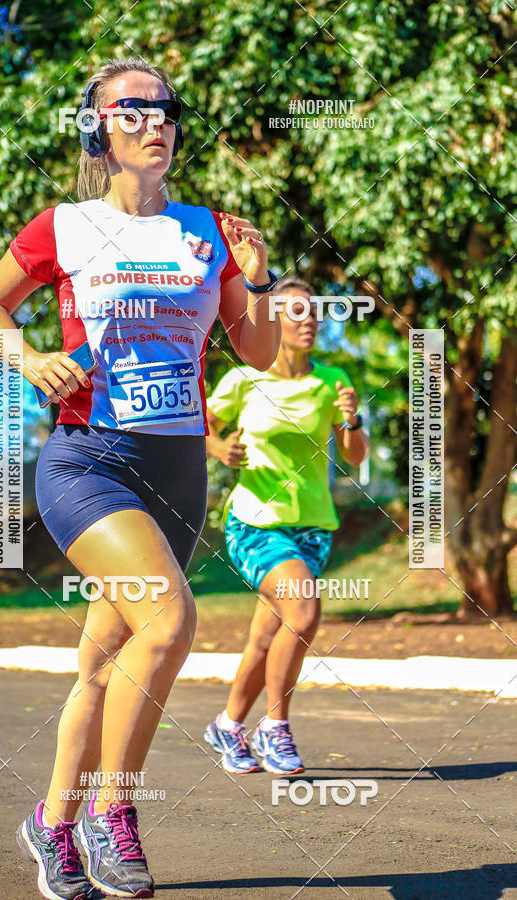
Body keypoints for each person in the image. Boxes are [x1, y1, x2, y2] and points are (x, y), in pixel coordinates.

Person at [0, 56, 280, 900]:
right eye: (133, 109)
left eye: (166, 109)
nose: (156, 122)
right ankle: (117, 817)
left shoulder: (209, 230)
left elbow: (255, 351)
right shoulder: (62, 226)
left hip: (178, 469)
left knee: (106, 666)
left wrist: (258, 281)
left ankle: (51, 825)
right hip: (90, 460)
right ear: (97, 128)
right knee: (171, 623)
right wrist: (27, 357)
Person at [203, 277, 370, 776]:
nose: (309, 321)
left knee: (265, 638)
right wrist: (217, 448)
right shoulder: (243, 381)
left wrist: (353, 422)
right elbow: (198, 424)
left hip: (313, 528)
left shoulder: (332, 380)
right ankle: (274, 728)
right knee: (302, 613)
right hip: (255, 522)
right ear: (272, 321)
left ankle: (228, 726)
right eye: (296, 313)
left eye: (313, 313)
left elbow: (356, 457)